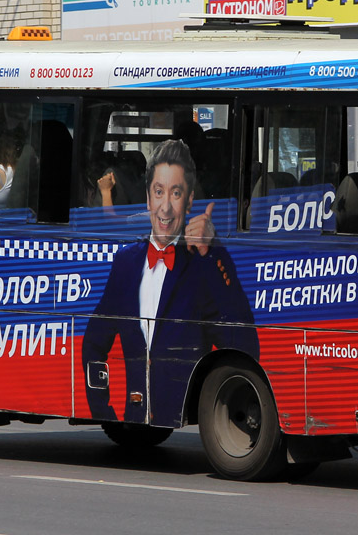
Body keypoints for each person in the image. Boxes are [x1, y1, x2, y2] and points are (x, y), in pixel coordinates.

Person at [81, 138, 258, 427]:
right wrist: (103, 413)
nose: (165, 208)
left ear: (189, 200)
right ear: (148, 198)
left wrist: (215, 253)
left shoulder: (202, 265)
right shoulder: (126, 263)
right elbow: (94, 343)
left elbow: (245, 346)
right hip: (134, 417)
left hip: (178, 415)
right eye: (158, 192)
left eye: (175, 193)